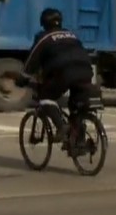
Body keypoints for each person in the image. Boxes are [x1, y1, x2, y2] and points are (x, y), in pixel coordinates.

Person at [17, 8, 97, 143]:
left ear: (43, 23)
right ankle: (79, 141)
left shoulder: (44, 37)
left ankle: (62, 127)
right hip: (86, 71)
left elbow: (32, 59)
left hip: (64, 73)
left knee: (46, 98)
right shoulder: (71, 35)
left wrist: (23, 77)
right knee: (76, 106)